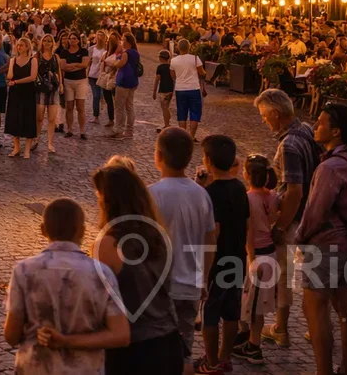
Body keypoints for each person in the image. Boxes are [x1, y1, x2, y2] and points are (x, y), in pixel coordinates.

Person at [3, 197, 130, 374]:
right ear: (83, 231)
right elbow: (121, 335)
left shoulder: (23, 271)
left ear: (42, 230)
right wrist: (68, 341)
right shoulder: (101, 274)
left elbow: (11, 336)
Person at [297, 103, 347, 375]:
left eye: (321, 122)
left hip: (327, 246)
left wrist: (300, 237)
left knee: (314, 311)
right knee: (346, 309)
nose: (315, 126)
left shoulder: (330, 167)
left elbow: (316, 211)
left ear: (336, 131)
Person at [92, 163, 184, 375]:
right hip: (168, 343)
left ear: (109, 200)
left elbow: (97, 301)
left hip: (133, 350)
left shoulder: (109, 243)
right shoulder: (158, 235)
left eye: (99, 194)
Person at [253, 88, 321, 349]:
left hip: (295, 218)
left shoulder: (289, 145)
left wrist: (280, 226)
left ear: (276, 114)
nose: (263, 120)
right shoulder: (305, 128)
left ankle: (281, 328)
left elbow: (294, 190)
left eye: (263, 115)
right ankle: (313, 327)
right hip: (311, 214)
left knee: (285, 276)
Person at [147, 127, 216, 371]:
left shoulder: (151, 195)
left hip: (158, 290)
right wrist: (204, 279)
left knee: (154, 352)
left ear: (158, 156)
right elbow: (210, 242)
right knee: (184, 351)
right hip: (190, 286)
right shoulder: (201, 195)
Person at [195, 135, 248, 375]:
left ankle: (212, 361)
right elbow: (245, 223)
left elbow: (213, 233)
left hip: (218, 262)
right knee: (231, 313)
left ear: (207, 160)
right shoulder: (239, 188)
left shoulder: (211, 193)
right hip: (237, 258)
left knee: (210, 312)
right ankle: (226, 357)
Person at [231, 155, 280, 366]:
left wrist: (251, 259)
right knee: (256, 303)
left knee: (253, 305)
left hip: (257, 255)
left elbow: (248, 232)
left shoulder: (248, 198)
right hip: (271, 253)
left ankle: (254, 346)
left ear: (248, 175)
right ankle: (249, 339)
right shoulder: (273, 196)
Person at [5, 37, 39, 159]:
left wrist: (16, 81)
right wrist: (10, 78)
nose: (19, 47)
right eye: (18, 45)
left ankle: (27, 150)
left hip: (28, 92)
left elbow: (32, 77)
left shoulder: (32, 60)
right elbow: (10, 76)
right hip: (15, 92)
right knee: (14, 118)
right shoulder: (13, 60)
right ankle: (16, 148)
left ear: (27, 47)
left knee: (28, 119)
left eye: (22, 45)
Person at [170, 39, 207, 138]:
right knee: (194, 114)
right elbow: (202, 72)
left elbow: (173, 75)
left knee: (182, 113)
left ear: (178, 48)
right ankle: (191, 136)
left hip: (180, 89)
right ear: (189, 47)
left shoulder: (173, 61)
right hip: (194, 88)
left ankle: (183, 136)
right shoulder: (195, 58)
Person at [108, 33, 140, 140]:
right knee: (129, 106)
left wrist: (114, 62)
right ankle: (129, 131)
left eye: (123, 39)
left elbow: (121, 64)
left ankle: (119, 130)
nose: (121, 41)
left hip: (123, 81)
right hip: (133, 81)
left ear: (127, 41)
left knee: (119, 106)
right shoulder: (136, 52)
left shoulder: (126, 53)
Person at [58, 33, 89, 141]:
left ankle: (82, 131)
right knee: (69, 107)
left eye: (74, 38)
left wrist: (71, 67)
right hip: (68, 82)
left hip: (81, 81)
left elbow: (85, 65)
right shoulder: (64, 52)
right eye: (70, 38)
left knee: (80, 107)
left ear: (78, 40)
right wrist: (77, 65)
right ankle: (70, 129)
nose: (72, 40)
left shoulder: (83, 51)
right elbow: (63, 67)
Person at [35, 35, 62, 150]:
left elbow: (59, 71)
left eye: (49, 41)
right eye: (45, 41)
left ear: (52, 43)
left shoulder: (56, 57)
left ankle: (50, 143)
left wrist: (61, 84)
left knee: (52, 118)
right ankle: (36, 139)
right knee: (39, 117)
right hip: (41, 89)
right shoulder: (37, 56)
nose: (47, 43)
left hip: (53, 89)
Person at [88, 31, 109, 124]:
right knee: (96, 96)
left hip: (103, 75)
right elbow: (88, 61)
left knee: (102, 94)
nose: (99, 38)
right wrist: (86, 72)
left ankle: (103, 100)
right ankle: (96, 116)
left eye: (101, 36)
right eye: (98, 36)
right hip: (92, 75)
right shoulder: (92, 49)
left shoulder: (107, 50)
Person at [153, 49, 175, 133]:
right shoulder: (171, 67)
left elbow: (157, 80)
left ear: (161, 58)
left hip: (163, 89)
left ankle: (166, 125)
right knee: (167, 107)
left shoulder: (160, 68)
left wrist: (154, 91)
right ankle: (167, 123)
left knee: (164, 108)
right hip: (170, 89)